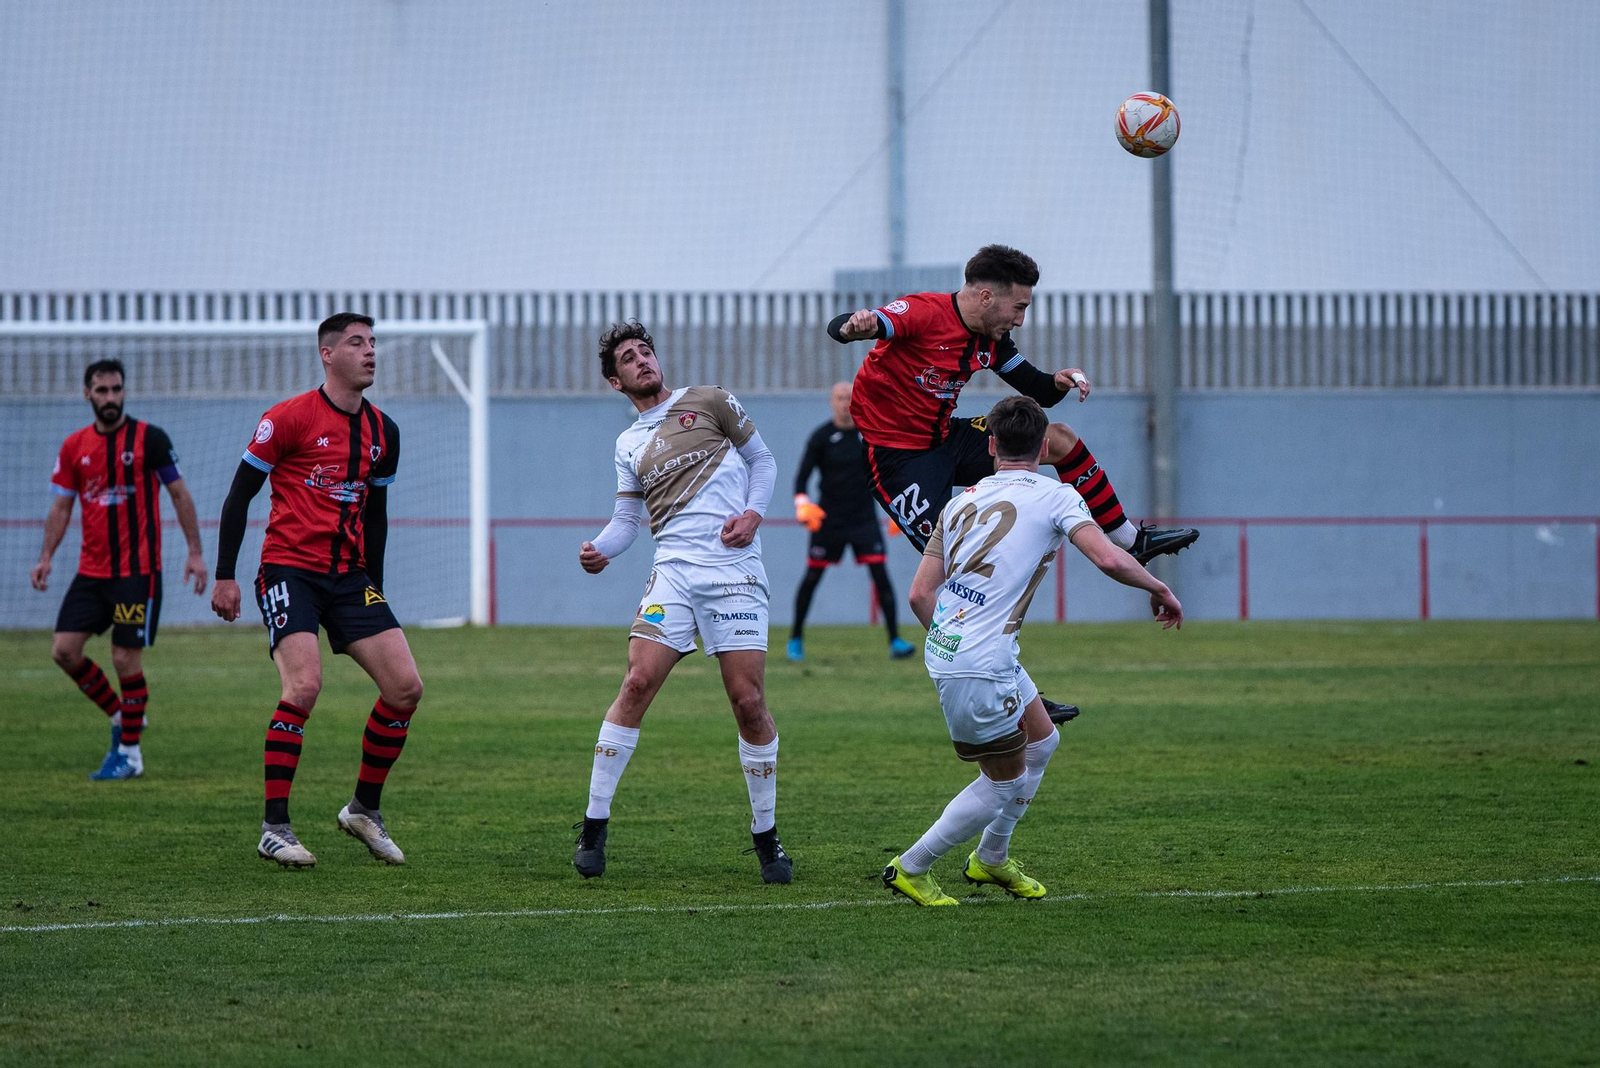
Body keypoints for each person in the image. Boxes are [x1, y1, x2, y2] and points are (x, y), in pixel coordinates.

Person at [828, 243, 1198, 723]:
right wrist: (854, 324)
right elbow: (847, 327)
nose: (1021, 319)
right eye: (1019, 306)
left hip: (947, 439)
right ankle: (1012, 690)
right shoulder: (923, 312)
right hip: (898, 462)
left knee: (1057, 437)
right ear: (985, 297)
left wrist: (1061, 380)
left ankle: (1132, 539)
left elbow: (1039, 390)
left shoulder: (990, 341)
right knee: (962, 577)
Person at [883, 396, 1183, 906]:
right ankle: (910, 867)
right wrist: (1160, 588)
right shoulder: (1057, 495)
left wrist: (954, 641)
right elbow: (1109, 557)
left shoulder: (959, 502)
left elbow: (918, 595)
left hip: (976, 651)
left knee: (1042, 743)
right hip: (981, 662)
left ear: (991, 445)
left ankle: (991, 859)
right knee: (1003, 782)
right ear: (1045, 448)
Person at [575, 320, 792, 884]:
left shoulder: (709, 400)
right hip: (672, 573)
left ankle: (766, 837)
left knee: (748, 703)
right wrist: (600, 549)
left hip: (734, 574)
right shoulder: (627, 445)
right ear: (614, 381)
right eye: (628, 357)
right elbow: (627, 522)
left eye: (645, 351)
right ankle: (593, 829)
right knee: (635, 685)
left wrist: (752, 514)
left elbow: (763, 462)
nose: (641, 360)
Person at [210, 312, 423, 870]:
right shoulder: (287, 418)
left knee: (405, 688)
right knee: (303, 687)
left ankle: (363, 811)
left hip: (350, 578)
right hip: (290, 571)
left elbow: (376, 514)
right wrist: (225, 575)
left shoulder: (385, 432)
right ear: (328, 354)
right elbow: (239, 497)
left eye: (373, 342)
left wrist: (374, 583)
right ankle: (274, 828)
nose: (370, 352)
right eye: (357, 343)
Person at [31, 359, 207, 780]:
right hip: (91, 573)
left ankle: (129, 753)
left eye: (116, 390)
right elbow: (61, 505)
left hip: (137, 574)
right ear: (87, 394)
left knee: (124, 656)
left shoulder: (151, 439)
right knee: (64, 650)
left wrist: (195, 552)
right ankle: (122, 713)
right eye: (102, 390)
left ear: (123, 391)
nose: (110, 398)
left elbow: (180, 495)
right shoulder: (75, 446)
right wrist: (46, 557)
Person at [787, 381, 914, 662]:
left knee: (881, 577)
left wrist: (899, 511)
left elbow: (891, 472)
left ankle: (895, 641)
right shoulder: (821, 437)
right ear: (832, 401)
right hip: (828, 521)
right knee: (811, 578)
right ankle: (795, 638)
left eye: (849, 397)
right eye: (840, 397)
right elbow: (801, 478)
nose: (845, 402)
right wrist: (802, 505)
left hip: (863, 519)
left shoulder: (869, 434)